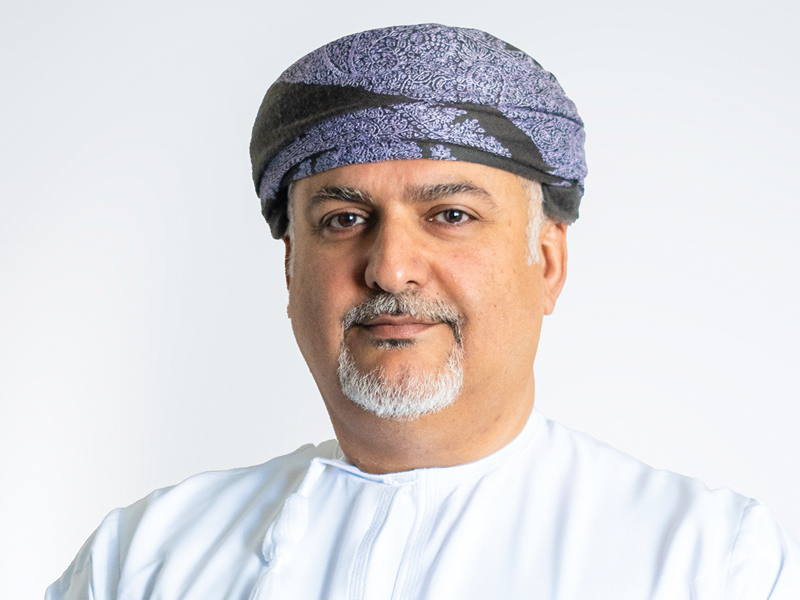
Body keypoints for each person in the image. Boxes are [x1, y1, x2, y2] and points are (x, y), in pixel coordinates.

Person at [46, 23, 799, 600]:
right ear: (291, 267)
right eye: (344, 219)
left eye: (450, 215)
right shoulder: (144, 559)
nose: (389, 267)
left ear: (547, 263)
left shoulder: (708, 561)